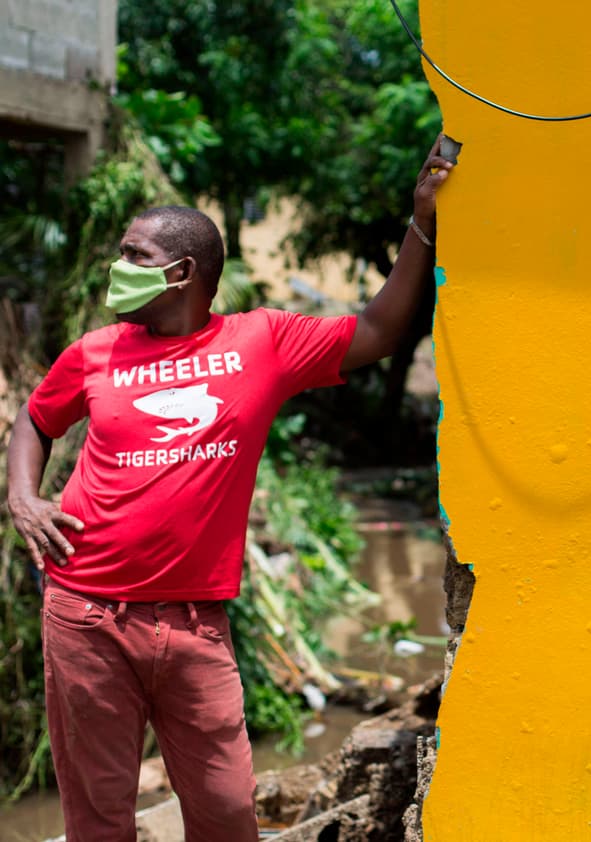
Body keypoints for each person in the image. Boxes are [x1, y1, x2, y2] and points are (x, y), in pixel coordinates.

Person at [4, 137, 455, 841]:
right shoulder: (94, 351)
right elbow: (35, 419)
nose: (117, 268)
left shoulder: (261, 342)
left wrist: (421, 221)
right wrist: (23, 499)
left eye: (135, 257)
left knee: (225, 814)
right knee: (97, 821)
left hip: (194, 629)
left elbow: (379, 328)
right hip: (85, 616)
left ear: (182, 272)